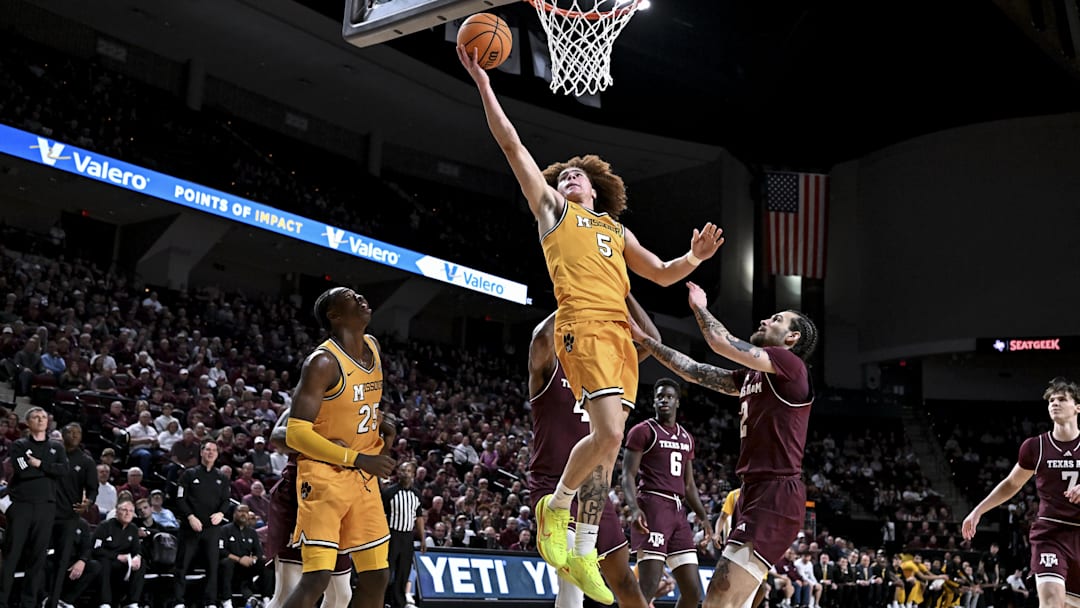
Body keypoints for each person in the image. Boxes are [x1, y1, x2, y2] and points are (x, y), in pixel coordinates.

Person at [457, 42, 724, 604]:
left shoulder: (617, 233)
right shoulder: (554, 212)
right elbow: (512, 143)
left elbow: (662, 274)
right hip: (581, 325)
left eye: (580, 175)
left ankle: (581, 546)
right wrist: (484, 83)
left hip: (621, 338)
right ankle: (554, 510)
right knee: (605, 435)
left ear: (599, 189)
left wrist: (695, 257)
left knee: (608, 445)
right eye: (566, 174)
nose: (571, 176)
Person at [629, 283, 819, 608]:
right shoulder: (753, 376)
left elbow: (719, 341)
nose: (764, 321)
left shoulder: (791, 366)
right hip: (752, 492)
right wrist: (645, 339)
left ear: (792, 338)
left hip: (775, 495)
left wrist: (700, 307)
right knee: (732, 600)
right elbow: (694, 371)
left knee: (719, 598)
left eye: (775, 319)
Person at [525, 296, 658, 608]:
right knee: (570, 578)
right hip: (552, 482)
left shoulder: (608, 371)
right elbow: (541, 338)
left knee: (624, 579)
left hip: (594, 491)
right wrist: (581, 292)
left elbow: (652, 342)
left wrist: (621, 291)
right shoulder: (550, 365)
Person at [281, 287, 396, 608]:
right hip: (324, 476)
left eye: (361, 294)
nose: (360, 298)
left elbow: (355, 405)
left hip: (363, 477)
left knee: (377, 576)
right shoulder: (322, 362)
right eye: (349, 297)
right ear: (334, 315)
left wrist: (380, 423)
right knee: (318, 577)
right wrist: (356, 457)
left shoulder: (372, 346)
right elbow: (295, 434)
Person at [963, 377, 1080, 608]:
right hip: (1050, 533)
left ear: (1078, 406)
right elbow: (1011, 484)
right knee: (1052, 601)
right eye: (1051, 400)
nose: (1054, 403)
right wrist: (978, 510)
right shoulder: (1035, 447)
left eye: (1062, 399)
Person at [621, 378, 710, 608]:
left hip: (678, 513)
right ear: (654, 402)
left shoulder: (686, 437)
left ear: (677, 402)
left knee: (692, 592)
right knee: (647, 588)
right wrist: (633, 507)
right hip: (653, 507)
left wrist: (704, 518)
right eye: (660, 397)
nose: (664, 401)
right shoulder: (642, 431)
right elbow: (627, 475)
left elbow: (689, 485)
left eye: (669, 397)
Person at [265, 409, 353, 608]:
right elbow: (277, 436)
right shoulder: (308, 401)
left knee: (341, 595)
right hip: (298, 496)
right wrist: (323, 447)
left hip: (334, 499)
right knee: (287, 592)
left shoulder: (355, 409)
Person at [0, 407, 70, 608]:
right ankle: (2, 601)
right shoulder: (19, 445)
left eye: (43, 417)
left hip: (46, 507)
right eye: (35, 417)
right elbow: (22, 471)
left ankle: (28, 603)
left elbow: (64, 470)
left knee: (38, 558)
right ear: (28, 423)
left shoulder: (57, 447)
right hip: (22, 506)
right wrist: (49, 470)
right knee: (12, 554)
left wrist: (39, 464)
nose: (40, 420)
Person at [173, 439, 231, 608]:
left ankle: (210, 601)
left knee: (212, 566)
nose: (210, 452)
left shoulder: (221, 477)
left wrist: (221, 513)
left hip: (212, 530)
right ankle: (178, 601)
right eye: (207, 450)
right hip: (190, 528)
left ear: (217, 454)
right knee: (182, 565)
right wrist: (190, 516)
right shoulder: (189, 474)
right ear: (201, 452)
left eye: (214, 450)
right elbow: (179, 498)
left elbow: (226, 501)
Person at [48, 422, 98, 608]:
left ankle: (53, 602)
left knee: (62, 563)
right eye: (71, 432)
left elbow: (93, 489)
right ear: (63, 434)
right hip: (45, 513)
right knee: (38, 558)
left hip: (69, 517)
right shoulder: (51, 452)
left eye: (78, 432)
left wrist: (88, 502)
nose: (75, 435)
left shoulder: (86, 461)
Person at [383, 461, 425, 608]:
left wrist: (423, 539)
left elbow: (419, 518)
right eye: (402, 470)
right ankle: (384, 601)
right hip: (392, 535)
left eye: (408, 471)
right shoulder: (389, 493)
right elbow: (381, 516)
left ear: (413, 474)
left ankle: (399, 603)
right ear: (398, 473)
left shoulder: (417, 494)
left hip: (408, 537)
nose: (405, 473)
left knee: (403, 572)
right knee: (387, 571)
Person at [93, 498, 145, 608]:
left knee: (141, 563)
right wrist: (117, 556)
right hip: (107, 560)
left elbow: (137, 550)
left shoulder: (133, 529)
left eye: (131, 511)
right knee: (104, 562)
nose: (128, 513)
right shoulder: (104, 526)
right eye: (124, 510)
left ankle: (132, 602)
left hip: (124, 564)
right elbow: (96, 549)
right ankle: (104, 602)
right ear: (117, 511)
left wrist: (138, 557)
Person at [50, 517, 101, 608]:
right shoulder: (53, 519)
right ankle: (46, 599)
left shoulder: (82, 523)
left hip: (71, 564)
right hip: (52, 561)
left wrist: (82, 560)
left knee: (94, 566)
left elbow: (87, 548)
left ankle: (65, 601)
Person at [218, 504, 265, 605]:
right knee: (227, 562)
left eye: (246, 512)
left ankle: (266, 597)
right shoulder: (224, 529)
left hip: (246, 566)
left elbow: (258, 551)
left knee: (265, 563)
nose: (243, 514)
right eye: (240, 511)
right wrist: (239, 559)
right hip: (231, 564)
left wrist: (253, 559)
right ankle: (226, 599)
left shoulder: (252, 532)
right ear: (234, 514)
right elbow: (221, 551)